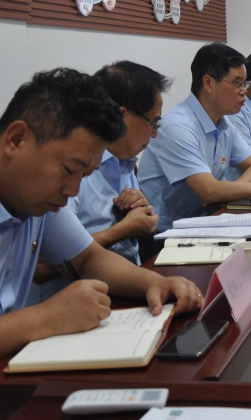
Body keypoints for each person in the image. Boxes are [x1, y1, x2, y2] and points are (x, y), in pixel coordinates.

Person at [0, 69, 202, 420]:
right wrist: (43, 319)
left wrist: (153, 283)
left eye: (85, 176)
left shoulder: (33, 196)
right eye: (70, 169)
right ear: (16, 139)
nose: (73, 191)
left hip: (7, 399)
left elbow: (88, 257)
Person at [32, 61, 169, 301]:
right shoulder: (68, 172)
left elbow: (128, 249)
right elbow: (42, 266)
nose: (155, 133)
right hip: (72, 302)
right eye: (153, 123)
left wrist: (143, 222)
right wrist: (122, 230)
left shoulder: (125, 162)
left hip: (123, 286)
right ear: (122, 116)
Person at [138, 43, 251, 232]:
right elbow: (209, 192)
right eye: (238, 83)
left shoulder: (223, 123)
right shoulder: (178, 126)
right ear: (208, 83)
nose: (244, 91)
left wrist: (227, 193)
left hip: (208, 219)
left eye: (245, 83)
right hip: (165, 233)